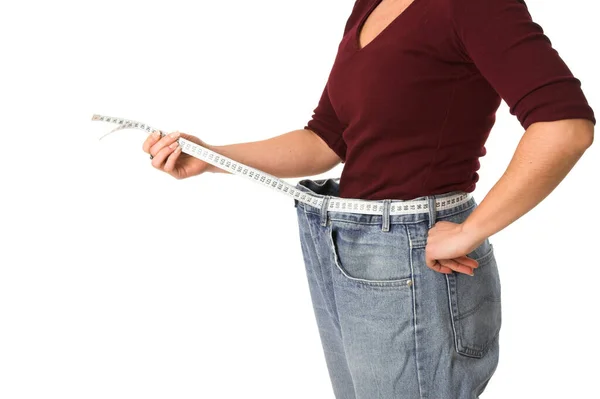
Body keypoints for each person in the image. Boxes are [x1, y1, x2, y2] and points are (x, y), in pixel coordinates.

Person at [142, 0, 595, 397]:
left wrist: (471, 231)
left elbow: (565, 126)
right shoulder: (370, 5)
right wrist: (211, 157)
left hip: (412, 256)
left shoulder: (471, 4)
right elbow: (326, 140)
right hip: (343, 246)